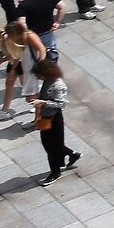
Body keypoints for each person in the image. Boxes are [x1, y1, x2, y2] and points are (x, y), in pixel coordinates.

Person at [31, 55, 77, 184]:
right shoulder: (48, 81)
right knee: (50, 145)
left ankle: (55, 172)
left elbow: (61, 104)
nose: (38, 78)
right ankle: (72, 154)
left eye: (39, 75)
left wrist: (42, 102)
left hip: (54, 118)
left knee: (52, 147)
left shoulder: (58, 85)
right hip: (45, 117)